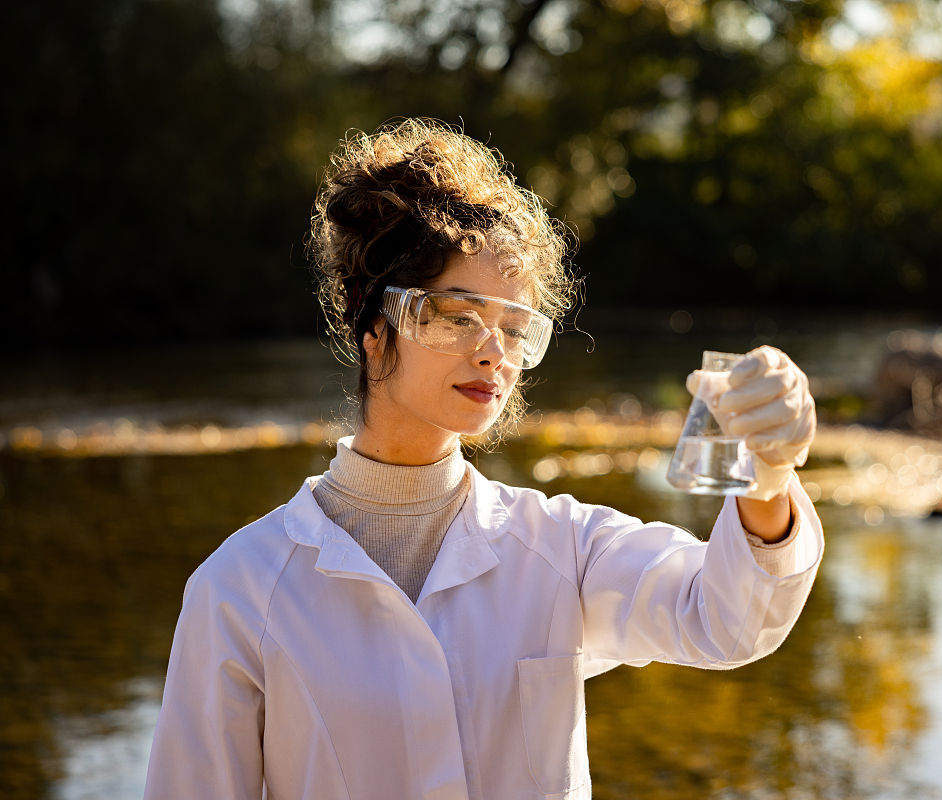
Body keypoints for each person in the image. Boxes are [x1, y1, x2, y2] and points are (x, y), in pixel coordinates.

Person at [143, 118, 823, 800]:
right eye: (459, 316)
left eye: (515, 330)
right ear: (374, 325)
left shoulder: (560, 548)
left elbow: (726, 620)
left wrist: (767, 477)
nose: (494, 351)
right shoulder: (241, 590)